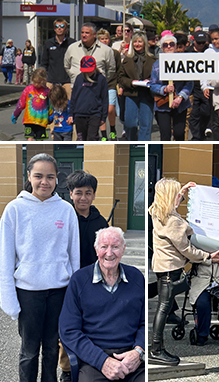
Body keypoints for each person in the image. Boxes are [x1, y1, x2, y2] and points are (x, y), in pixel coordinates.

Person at [0, 153, 80, 382]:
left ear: (57, 179)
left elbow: (74, 255)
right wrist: (9, 300)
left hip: (59, 291)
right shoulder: (14, 209)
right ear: (29, 176)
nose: (44, 182)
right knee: (29, 351)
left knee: (53, 350)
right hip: (28, 293)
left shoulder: (65, 210)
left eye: (50, 177)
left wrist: (74, 295)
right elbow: (5, 258)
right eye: (38, 176)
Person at [148, 178, 219, 365]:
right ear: (169, 196)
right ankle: (156, 349)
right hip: (171, 267)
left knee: (164, 303)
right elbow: (187, 250)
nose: (178, 197)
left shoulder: (157, 212)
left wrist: (182, 191)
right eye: (176, 194)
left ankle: (157, 344)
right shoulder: (173, 221)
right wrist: (208, 256)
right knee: (163, 307)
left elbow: (170, 203)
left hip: (162, 266)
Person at [59, 227, 145, 382]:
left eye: (116, 247)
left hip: (132, 357)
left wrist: (139, 351)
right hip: (95, 359)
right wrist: (102, 361)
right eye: (104, 247)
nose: (109, 253)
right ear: (96, 249)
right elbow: (69, 330)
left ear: (123, 249)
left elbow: (145, 323)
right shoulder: (79, 280)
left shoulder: (136, 278)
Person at [150, 34, 192, 141]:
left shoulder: (184, 63)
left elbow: (189, 83)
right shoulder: (156, 65)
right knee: (165, 134)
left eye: (171, 44)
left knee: (179, 133)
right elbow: (153, 85)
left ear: (176, 46)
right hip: (163, 105)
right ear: (162, 48)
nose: (169, 47)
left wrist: (180, 97)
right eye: (165, 45)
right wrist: (164, 89)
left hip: (180, 104)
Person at [66, 170, 109, 269]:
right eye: (79, 193)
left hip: (94, 272)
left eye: (88, 193)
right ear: (71, 194)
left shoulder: (101, 223)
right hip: (69, 273)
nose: (83, 198)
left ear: (94, 195)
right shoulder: (66, 219)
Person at [118, 32, 156, 141]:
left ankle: (143, 146)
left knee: (146, 124)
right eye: (135, 41)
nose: (137, 44)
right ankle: (132, 142)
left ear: (144, 43)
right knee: (129, 122)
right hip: (131, 93)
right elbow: (121, 77)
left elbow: (157, 76)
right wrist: (131, 82)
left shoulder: (153, 60)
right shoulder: (127, 60)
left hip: (146, 94)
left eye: (140, 41)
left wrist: (149, 80)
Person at [64, 23, 117, 100]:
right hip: (77, 89)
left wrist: (101, 80)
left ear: (94, 34)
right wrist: (73, 74)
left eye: (87, 33)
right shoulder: (72, 48)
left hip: (97, 90)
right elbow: (67, 66)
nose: (84, 35)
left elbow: (111, 69)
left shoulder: (106, 50)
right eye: (82, 32)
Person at [70, 56, 108, 141]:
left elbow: (105, 99)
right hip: (80, 114)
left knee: (92, 138)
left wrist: (103, 117)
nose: (88, 73)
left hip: (95, 114)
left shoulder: (101, 79)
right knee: (81, 139)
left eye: (89, 71)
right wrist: (71, 114)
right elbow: (73, 97)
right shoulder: (79, 78)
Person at [12, 68, 52, 141]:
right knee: (30, 139)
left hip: (41, 121)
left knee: (40, 141)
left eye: (39, 82)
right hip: (29, 120)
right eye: (35, 82)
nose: (36, 84)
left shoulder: (47, 91)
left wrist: (51, 116)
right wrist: (15, 115)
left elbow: (50, 105)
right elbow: (21, 104)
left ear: (43, 81)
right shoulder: (28, 90)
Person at [96, 29, 121, 141]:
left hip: (111, 83)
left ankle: (112, 129)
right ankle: (104, 134)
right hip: (98, 85)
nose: (104, 41)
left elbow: (119, 69)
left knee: (110, 109)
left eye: (106, 38)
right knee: (101, 110)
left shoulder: (114, 53)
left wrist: (119, 85)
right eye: (102, 39)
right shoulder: (95, 53)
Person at [41, 19, 76, 95]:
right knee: (49, 103)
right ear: (54, 29)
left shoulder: (72, 43)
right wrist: (44, 78)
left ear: (66, 29)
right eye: (57, 26)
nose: (59, 28)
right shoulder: (48, 43)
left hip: (67, 81)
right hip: (51, 81)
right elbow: (44, 62)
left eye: (62, 26)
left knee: (69, 104)